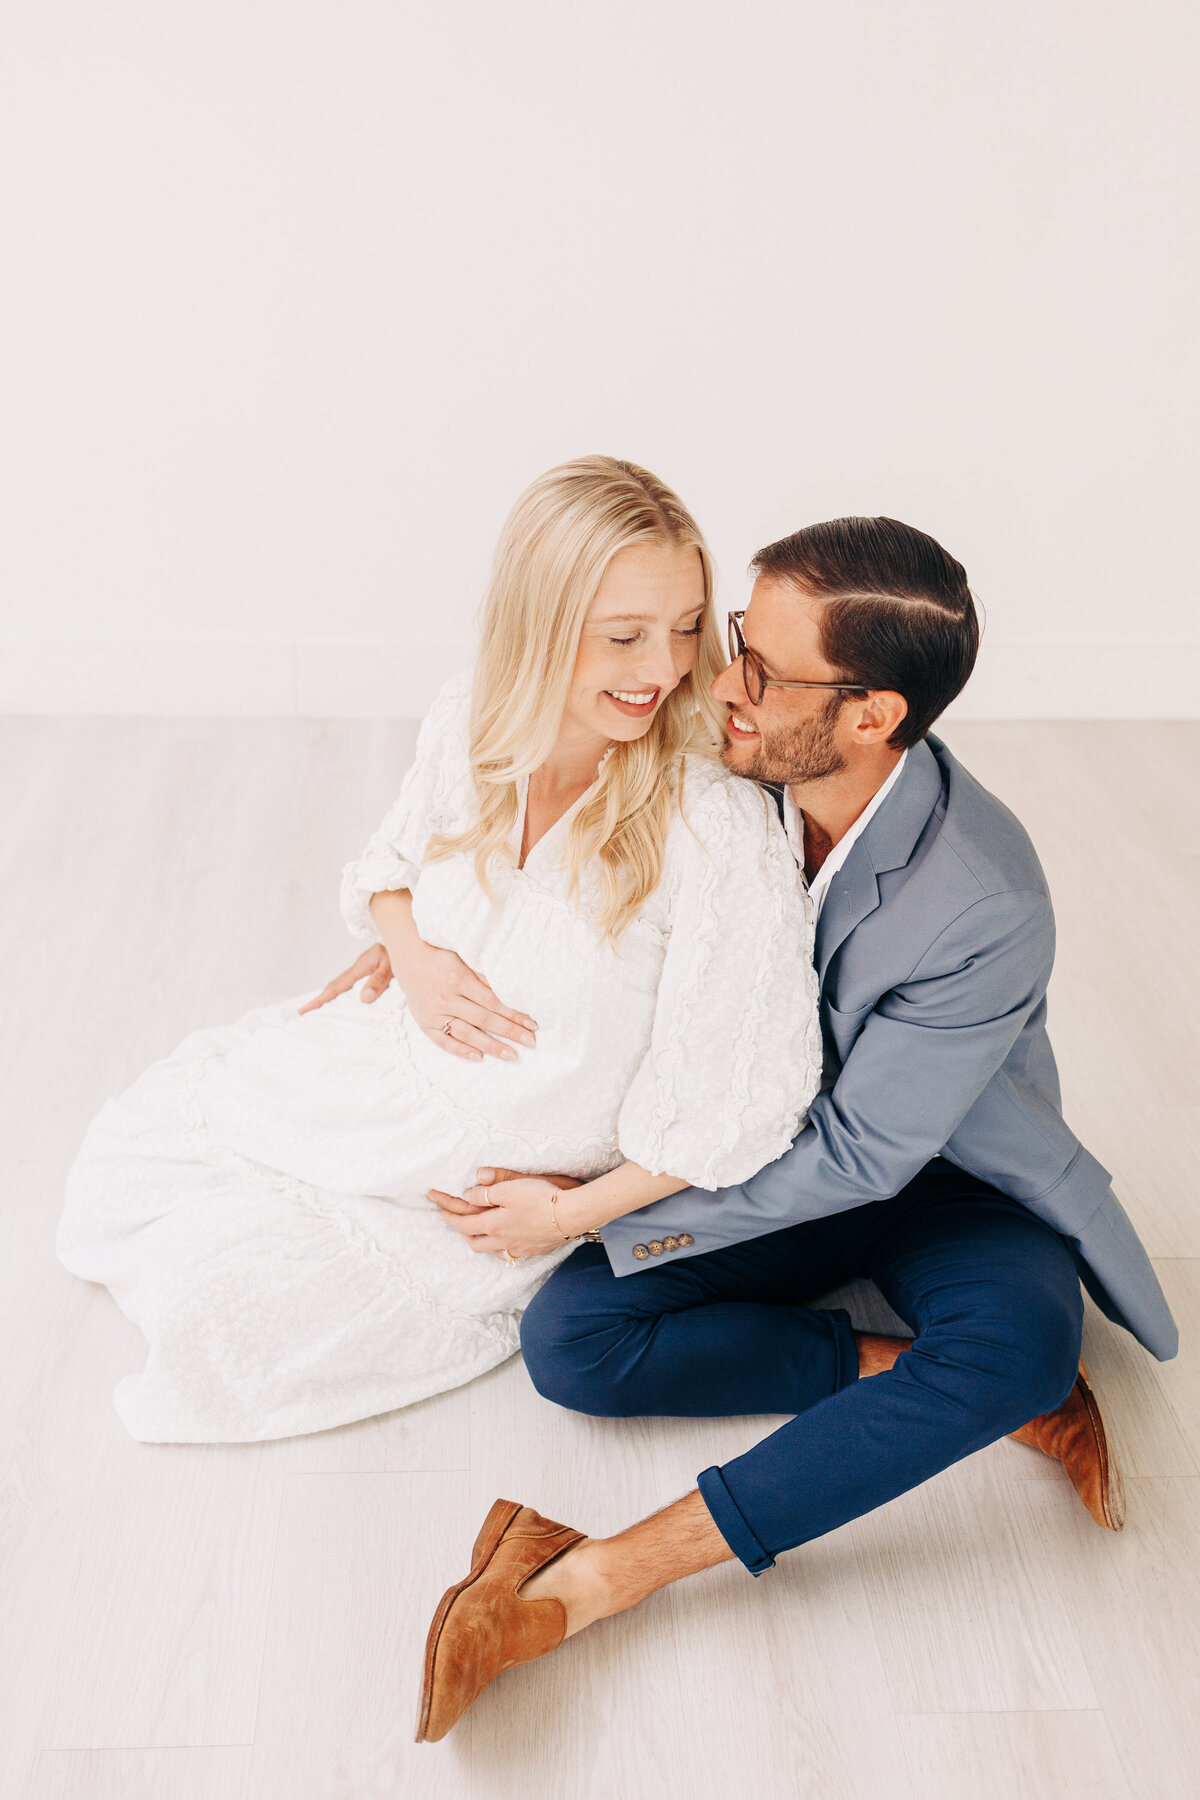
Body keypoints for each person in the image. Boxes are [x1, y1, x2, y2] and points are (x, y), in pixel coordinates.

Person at [395, 514, 1179, 1744]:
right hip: (753, 1147)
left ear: (871, 717)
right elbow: (517, 811)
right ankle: (907, 1379)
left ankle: (585, 1583)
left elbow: (866, 1157)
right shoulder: (732, 755)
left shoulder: (985, 896)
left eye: (761, 669)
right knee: (573, 1343)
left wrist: (602, 1204)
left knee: (1018, 1348)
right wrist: (409, 932)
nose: (720, 681)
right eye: (736, 641)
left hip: (937, 1177)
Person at [55, 457, 823, 1444]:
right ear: (537, 625)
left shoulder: (712, 826)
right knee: (121, 1159)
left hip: (489, 1192)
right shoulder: (474, 719)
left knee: (221, 1319)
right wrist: (410, 954)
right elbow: (388, 865)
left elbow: (740, 1103)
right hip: (381, 1079)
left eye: (684, 628)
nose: (664, 670)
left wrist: (571, 1216)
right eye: (623, 636)